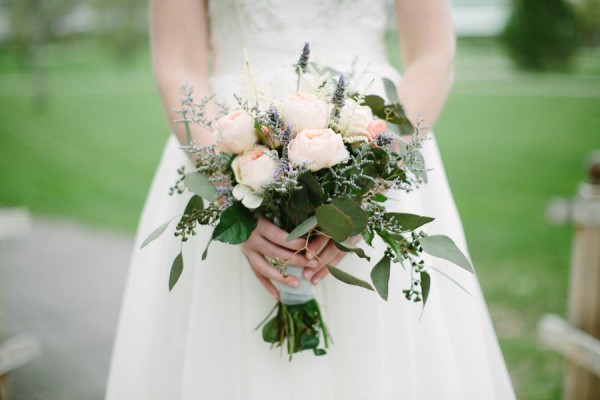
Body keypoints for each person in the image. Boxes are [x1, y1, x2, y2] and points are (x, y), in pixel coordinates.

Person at [105, 0, 516, 399]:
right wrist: (230, 193)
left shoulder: (374, 169)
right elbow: (178, 63)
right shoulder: (225, 170)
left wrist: (367, 189)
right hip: (225, 138)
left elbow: (433, 54)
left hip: (376, 135)